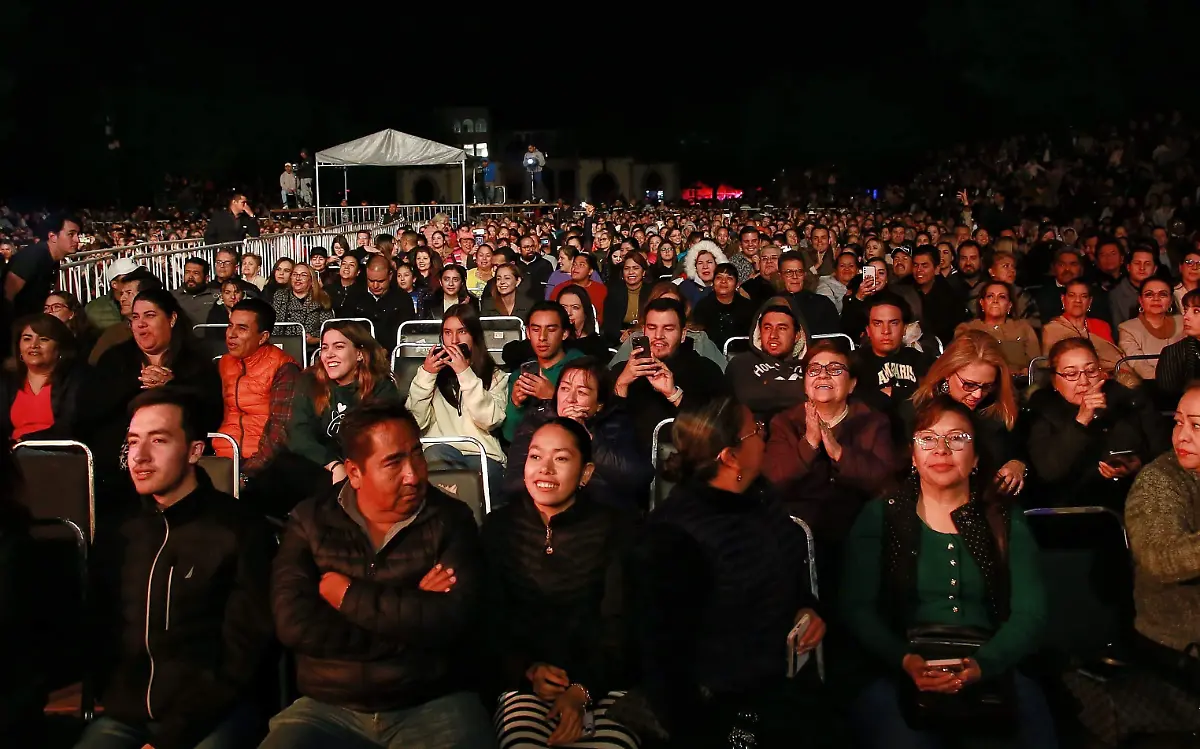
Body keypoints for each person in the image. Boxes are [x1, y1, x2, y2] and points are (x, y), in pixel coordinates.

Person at [262, 401, 493, 749]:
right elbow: (295, 625)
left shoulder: (450, 519)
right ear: (354, 473)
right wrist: (412, 613)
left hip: (432, 702)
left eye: (416, 455)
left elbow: (453, 618)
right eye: (393, 462)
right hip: (328, 705)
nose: (414, 474)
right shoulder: (310, 522)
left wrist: (348, 597)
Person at [841, 396, 1056, 749]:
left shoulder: (1002, 519)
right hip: (899, 662)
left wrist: (984, 664)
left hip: (992, 659)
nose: (941, 449)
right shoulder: (882, 515)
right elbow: (857, 608)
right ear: (913, 456)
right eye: (927, 439)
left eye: (957, 439)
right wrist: (905, 660)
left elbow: (1031, 613)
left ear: (975, 459)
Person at [630, 397, 831, 747]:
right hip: (718, 713)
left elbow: (784, 570)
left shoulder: (760, 497)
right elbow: (664, 659)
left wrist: (807, 607)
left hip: (777, 688)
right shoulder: (674, 533)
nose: (764, 435)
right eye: (755, 430)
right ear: (729, 456)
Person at [80, 388, 274, 749]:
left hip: (215, 716)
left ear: (195, 451)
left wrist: (172, 736)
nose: (139, 456)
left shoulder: (239, 530)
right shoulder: (118, 532)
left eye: (159, 440)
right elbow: (99, 630)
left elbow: (243, 656)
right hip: (127, 715)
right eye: (133, 441)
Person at [486, 418, 640, 749]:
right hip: (525, 683)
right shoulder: (499, 528)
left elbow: (621, 624)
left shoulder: (616, 529)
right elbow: (489, 619)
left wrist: (582, 689)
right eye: (535, 456)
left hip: (604, 681)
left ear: (585, 473)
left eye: (561, 458)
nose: (545, 469)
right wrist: (527, 670)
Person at [81, 289, 222, 512]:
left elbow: (211, 413)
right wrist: (136, 384)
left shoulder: (195, 361)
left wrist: (172, 387)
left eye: (149, 315)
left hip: (175, 462)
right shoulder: (114, 359)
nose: (140, 324)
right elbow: (90, 409)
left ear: (172, 318)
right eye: (135, 318)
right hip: (113, 466)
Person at [763, 339, 896, 572]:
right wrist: (810, 443)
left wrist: (839, 453)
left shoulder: (874, 421)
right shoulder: (785, 422)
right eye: (814, 370)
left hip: (859, 528)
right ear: (805, 384)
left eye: (835, 369)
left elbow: (885, 481)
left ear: (852, 384)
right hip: (801, 532)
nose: (823, 375)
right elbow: (775, 480)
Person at [1026, 338, 1169, 510]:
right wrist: (1081, 420)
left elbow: (1163, 450)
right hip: (1071, 509)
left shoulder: (1128, 399)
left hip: (1134, 499)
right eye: (1071, 374)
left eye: (1091, 371)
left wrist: (1137, 463)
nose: (1084, 381)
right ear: (1055, 381)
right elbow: (1049, 471)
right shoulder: (1041, 409)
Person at [503, 356, 652, 512]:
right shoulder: (536, 423)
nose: (570, 399)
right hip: (542, 514)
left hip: (599, 515)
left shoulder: (615, 423)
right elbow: (513, 484)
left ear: (599, 405)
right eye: (565, 389)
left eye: (582, 392)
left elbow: (637, 477)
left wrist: (588, 437)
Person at [1125, 384, 1200, 662]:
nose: (1182, 436)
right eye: (1179, 422)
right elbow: (1159, 558)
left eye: (1197, 426)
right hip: (1177, 643)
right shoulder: (1160, 480)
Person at [406, 304, 509, 495]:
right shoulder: (430, 377)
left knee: (483, 477)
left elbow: (490, 421)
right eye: (447, 332)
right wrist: (426, 376)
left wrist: (465, 373)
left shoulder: (495, 376)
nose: (454, 340)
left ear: (473, 336)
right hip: (439, 453)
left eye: (461, 331)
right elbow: (416, 423)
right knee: (435, 455)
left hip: (482, 454)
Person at [909, 330, 1027, 496]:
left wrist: (1017, 464)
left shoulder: (998, 412)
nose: (978, 394)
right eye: (969, 385)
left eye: (987, 386)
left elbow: (1019, 449)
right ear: (947, 373)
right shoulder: (917, 410)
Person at [286, 321, 397, 490]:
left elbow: (380, 440)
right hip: (320, 464)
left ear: (359, 354)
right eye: (324, 348)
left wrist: (349, 468)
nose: (328, 354)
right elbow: (299, 434)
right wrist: (333, 465)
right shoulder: (309, 381)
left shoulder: (381, 387)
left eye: (338, 347)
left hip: (364, 468)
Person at [611, 298, 729, 455]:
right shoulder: (622, 372)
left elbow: (718, 428)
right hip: (627, 462)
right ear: (644, 331)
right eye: (652, 328)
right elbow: (608, 433)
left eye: (668, 328)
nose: (659, 335)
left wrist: (674, 394)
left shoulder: (706, 370)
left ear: (683, 334)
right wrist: (622, 385)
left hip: (687, 463)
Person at [215, 298, 300, 479]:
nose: (231, 334)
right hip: (221, 457)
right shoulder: (224, 363)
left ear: (263, 337)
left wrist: (247, 474)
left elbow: (280, 431)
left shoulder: (284, 368)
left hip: (262, 464)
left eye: (242, 328)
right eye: (230, 326)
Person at [504, 302, 584, 442]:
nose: (542, 337)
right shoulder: (521, 374)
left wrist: (552, 397)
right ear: (528, 333)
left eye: (551, 329)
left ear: (564, 333)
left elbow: (588, 427)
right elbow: (510, 436)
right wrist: (516, 404)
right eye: (535, 330)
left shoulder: (582, 368)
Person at [1, 313, 85, 443]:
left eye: (44, 339)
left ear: (59, 348)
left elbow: (70, 428)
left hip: (59, 454)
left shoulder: (75, 379)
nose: (34, 345)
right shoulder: (7, 381)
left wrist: (26, 441)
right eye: (27, 339)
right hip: (13, 455)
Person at [725, 298, 809, 425]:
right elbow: (748, 396)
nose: (773, 335)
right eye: (767, 328)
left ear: (797, 335)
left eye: (782, 328)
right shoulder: (741, 363)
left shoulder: (811, 365)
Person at [955, 281, 1041, 378]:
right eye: (990, 296)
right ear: (982, 304)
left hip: (1020, 383)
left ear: (1009, 306)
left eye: (1002, 297)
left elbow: (1036, 362)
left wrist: (1028, 371)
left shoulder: (1024, 328)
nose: (995, 300)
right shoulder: (967, 329)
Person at [4, 213, 80, 318]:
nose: (77, 240)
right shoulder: (33, 257)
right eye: (71, 234)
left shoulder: (53, 260)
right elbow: (6, 298)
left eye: (77, 235)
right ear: (53, 236)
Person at [1041, 279, 1124, 373]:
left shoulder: (1102, 326)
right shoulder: (1052, 329)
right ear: (1063, 299)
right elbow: (1049, 366)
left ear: (1090, 301)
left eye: (1083, 296)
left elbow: (1113, 361)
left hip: (1106, 378)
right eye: (1072, 295)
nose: (1078, 300)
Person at [338, 254, 417, 352]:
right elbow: (344, 327)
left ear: (390, 275)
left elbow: (406, 332)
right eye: (371, 280)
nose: (375, 286)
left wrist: (387, 350)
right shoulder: (354, 296)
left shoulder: (403, 299)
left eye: (380, 281)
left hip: (392, 354)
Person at [1117, 277, 1183, 380]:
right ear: (1140, 300)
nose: (1156, 299)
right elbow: (1139, 366)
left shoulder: (1183, 322)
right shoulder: (1127, 329)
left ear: (1171, 301)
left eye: (1163, 294)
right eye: (1149, 294)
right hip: (1151, 386)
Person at [690, 262, 757, 350]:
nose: (723, 281)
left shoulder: (748, 307)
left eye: (729, 278)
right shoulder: (703, 306)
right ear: (713, 283)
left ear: (737, 284)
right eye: (719, 278)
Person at [779, 250, 841, 336]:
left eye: (799, 272)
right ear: (781, 276)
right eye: (789, 272)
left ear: (804, 274)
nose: (795, 276)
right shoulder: (773, 303)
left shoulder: (822, 303)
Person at [272, 262, 333, 348]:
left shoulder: (321, 298)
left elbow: (329, 329)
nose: (298, 278)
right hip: (285, 346)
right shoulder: (280, 296)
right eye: (295, 274)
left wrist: (316, 340)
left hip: (313, 348)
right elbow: (274, 326)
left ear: (311, 280)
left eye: (303, 275)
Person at [601, 253, 655, 346]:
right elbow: (609, 327)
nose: (631, 272)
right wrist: (623, 336)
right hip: (619, 341)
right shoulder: (614, 293)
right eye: (627, 268)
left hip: (648, 338)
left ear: (644, 272)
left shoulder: (652, 292)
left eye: (636, 268)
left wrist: (633, 333)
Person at [43, 290, 99, 362]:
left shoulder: (88, 340)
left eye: (56, 307)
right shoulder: (40, 338)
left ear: (72, 313)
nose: (49, 311)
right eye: (46, 308)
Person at [549, 254, 607, 324]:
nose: (575, 268)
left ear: (590, 271)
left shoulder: (601, 290)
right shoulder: (560, 288)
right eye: (574, 264)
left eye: (581, 265)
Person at [672, 241, 725, 307]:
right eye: (700, 263)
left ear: (716, 264)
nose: (705, 266)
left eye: (709, 262)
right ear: (695, 267)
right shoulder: (685, 288)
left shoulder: (724, 286)